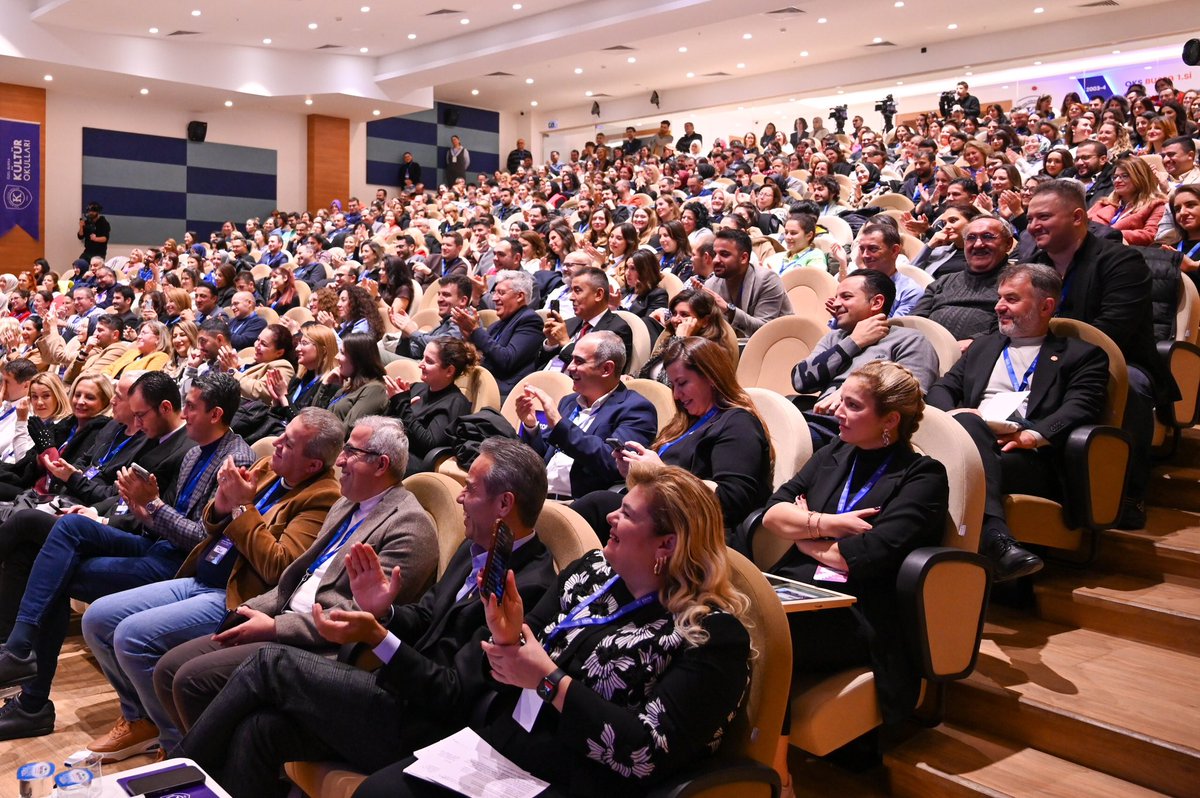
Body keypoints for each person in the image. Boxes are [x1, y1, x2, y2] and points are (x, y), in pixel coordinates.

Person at [177, 438, 558, 797]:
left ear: (504, 504)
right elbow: (426, 616)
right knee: (259, 730)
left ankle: (170, 779)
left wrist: (378, 636)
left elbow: (453, 693)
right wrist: (384, 610)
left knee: (269, 662)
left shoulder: (528, 587)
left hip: (429, 729)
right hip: (396, 694)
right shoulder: (476, 546)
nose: (459, 496)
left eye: (470, 489)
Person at [353, 462, 752, 798]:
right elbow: (513, 664)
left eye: (627, 514)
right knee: (376, 791)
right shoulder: (591, 574)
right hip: (510, 747)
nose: (611, 516)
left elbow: (643, 753)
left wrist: (548, 681)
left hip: (584, 782)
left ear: (667, 545)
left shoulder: (711, 637)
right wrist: (506, 638)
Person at [78, 409, 344, 760]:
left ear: (312, 464)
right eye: (283, 435)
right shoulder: (267, 467)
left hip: (235, 595)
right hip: (201, 575)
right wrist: (220, 506)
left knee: (131, 636)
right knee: (96, 618)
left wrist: (242, 506)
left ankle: (176, 742)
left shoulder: (322, 497)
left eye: (289, 443)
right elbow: (213, 526)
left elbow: (279, 566)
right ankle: (140, 719)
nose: (276, 443)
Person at [0, 372, 253, 740]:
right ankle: (20, 653)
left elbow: (201, 540)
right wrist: (141, 508)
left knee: (51, 573)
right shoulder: (196, 450)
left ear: (215, 414)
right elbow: (165, 520)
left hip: (178, 565)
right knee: (66, 530)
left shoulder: (236, 460)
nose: (185, 415)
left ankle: (31, 694)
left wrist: (151, 505)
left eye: (193, 408)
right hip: (155, 542)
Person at [152, 416, 439, 734]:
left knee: (191, 679)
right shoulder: (347, 504)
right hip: (283, 618)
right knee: (167, 669)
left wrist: (276, 627)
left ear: (381, 464)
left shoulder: (409, 526)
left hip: (322, 647)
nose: (340, 460)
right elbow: (296, 577)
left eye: (351, 452)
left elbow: (364, 617)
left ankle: (209, 769)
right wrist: (251, 610)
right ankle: (199, 757)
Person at [761, 359, 948, 726]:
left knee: (761, 639)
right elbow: (772, 514)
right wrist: (827, 524)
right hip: (796, 588)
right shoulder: (836, 452)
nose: (838, 412)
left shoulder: (922, 476)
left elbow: (865, 556)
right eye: (841, 400)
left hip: (858, 611)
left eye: (853, 405)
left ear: (890, 420)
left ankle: (777, 773)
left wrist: (802, 533)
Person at [928, 263, 1109, 581]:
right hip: (970, 439)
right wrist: (954, 417)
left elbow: (1081, 407)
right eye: (1000, 298)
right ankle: (995, 539)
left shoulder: (1081, 355)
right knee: (970, 427)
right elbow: (943, 388)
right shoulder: (983, 346)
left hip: (1027, 456)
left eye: (1011, 299)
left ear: (1046, 306)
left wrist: (1034, 435)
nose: (999, 306)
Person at [1027, 179, 1174, 527]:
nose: (1033, 226)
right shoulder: (1032, 263)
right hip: (1044, 355)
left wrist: (1056, 361)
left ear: (1078, 217)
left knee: (1131, 388)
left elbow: (1114, 329)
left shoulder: (1122, 261)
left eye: (1043, 217)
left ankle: (1126, 493)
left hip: (1118, 359)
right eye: (1030, 218)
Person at [571, 337, 771, 539]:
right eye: (674, 385)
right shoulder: (685, 423)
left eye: (682, 383)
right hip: (664, 516)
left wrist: (662, 472)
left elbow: (732, 500)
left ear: (711, 377)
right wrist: (635, 472)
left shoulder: (738, 423)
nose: (676, 395)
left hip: (698, 533)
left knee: (595, 506)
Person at [793, 270, 940, 449]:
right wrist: (854, 342)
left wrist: (850, 392)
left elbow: (909, 396)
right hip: (815, 419)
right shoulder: (835, 339)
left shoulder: (910, 340)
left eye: (846, 297)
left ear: (876, 302)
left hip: (854, 430)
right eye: (836, 296)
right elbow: (801, 381)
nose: (836, 303)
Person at [518, 331, 657, 501]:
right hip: (539, 498)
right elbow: (542, 456)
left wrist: (559, 424)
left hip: (581, 505)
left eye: (579, 361)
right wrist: (531, 427)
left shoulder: (636, 409)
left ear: (606, 369)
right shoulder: (568, 402)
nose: (570, 367)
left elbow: (612, 461)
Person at [0, 373, 113, 503]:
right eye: (77, 395)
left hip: (53, 497)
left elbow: (65, 475)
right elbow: (25, 465)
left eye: (90, 397)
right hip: (31, 486)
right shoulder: (67, 424)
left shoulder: (102, 432)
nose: (81, 401)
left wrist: (46, 446)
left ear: (105, 402)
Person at [912, 216, 1011, 349]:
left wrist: (976, 342)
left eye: (988, 236)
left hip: (983, 354)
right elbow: (915, 320)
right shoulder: (943, 281)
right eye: (971, 238)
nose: (978, 244)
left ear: (1008, 244)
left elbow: (1014, 325)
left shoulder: (1017, 284)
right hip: (926, 350)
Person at [384, 337, 476, 474]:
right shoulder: (417, 388)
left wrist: (402, 405)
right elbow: (389, 422)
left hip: (416, 461)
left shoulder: (455, 403)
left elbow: (428, 444)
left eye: (429, 361)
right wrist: (393, 402)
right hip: (396, 448)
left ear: (449, 371)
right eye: (423, 358)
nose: (420, 364)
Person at [454, 270, 544, 398]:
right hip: (480, 384)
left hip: (504, 393)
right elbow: (480, 356)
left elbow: (506, 360)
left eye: (501, 293)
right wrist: (468, 337)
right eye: (494, 292)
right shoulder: (496, 325)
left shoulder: (530, 321)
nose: (495, 298)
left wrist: (475, 330)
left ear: (519, 296)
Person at [538, 266, 634, 373]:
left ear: (598, 294)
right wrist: (551, 344)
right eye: (572, 290)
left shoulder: (617, 330)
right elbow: (540, 365)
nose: (571, 297)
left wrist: (565, 343)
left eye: (577, 291)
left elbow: (597, 372)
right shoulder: (569, 323)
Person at [700, 228, 794, 336]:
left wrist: (728, 310)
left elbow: (764, 330)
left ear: (744, 258)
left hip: (776, 346)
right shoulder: (711, 283)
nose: (716, 260)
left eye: (724, 254)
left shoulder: (767, 280)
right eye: (715, 254)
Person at [640, 289, 739, 384]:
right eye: (674, 314)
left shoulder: (710, 352)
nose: (675, 320)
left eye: (684, 315)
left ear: (705, 321)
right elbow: (648, 371)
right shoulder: (670, 338)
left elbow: (669, 383)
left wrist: (680, 341)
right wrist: (633, 377)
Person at [1087, 155, 1167, 245]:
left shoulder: (1156, 205)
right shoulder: (1103, 203)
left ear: (1141, 178)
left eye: (1124, 176)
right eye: (1115, 177)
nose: (1117, 180)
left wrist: (1113, 235)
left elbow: (1150, 235)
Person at [853, 223, 924, 317]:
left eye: (873, 249)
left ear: (894, 251)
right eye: (862, 249)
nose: (865, 255)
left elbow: (894, 328)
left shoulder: (909, 291)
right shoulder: (854, 284)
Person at [5, 370, 69, 466]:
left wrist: (21, 421)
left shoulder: (61, 427)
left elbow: (22, 462)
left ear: (58, 396)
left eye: (46, 396)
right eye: (34, 396)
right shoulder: (35, 419)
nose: (39, 402)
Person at [324, 333, 389, 427]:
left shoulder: (375, 390)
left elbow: (350, 428)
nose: (336, 357)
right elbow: (314, 415)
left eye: (342, 352)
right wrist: (325, 384)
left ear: (357, 359)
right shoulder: (348, 386)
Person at [226, 323, 297, 403]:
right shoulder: (248, 359)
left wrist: (233, 372)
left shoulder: (283, 366)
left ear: (279, 353)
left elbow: (260, 392)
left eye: (263, 344)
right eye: (258, 339)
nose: (256, 345)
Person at [65, 315, 130, 383]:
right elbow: (67, 377)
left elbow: (89, 379)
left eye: (100, 330)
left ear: (115, 335)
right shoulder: (98, 351)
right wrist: (85, 351)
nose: (95, 334)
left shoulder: (118, 350)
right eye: (96, 329)